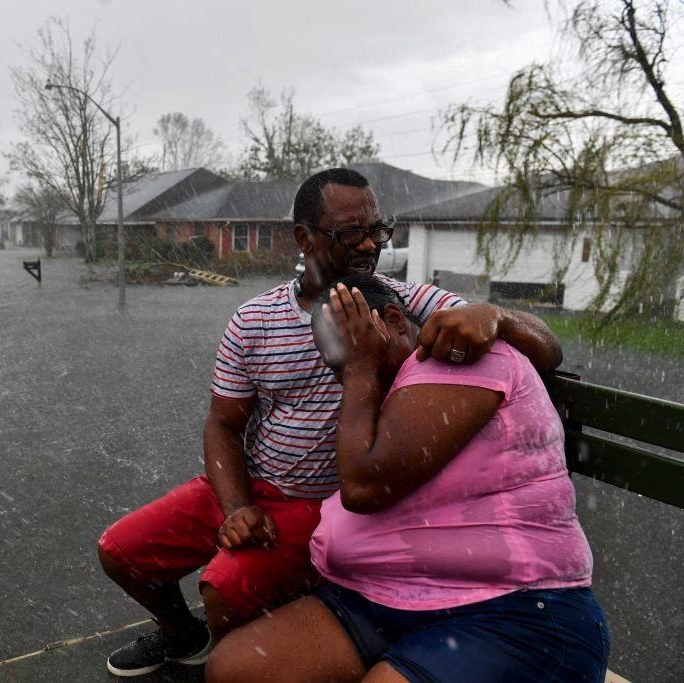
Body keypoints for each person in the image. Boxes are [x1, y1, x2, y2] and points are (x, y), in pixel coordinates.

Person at [96, 168, 564, 678]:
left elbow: (546, 348)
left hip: (318, 504)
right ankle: (186, 638)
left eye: (377, 231)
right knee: (121, 553)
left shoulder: (401, 300)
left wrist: (495, 315)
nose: (368, 245)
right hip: (246, 483)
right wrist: (235, 506)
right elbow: (223, 424)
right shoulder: (254, 319)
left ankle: (237, 645)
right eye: (349, 233)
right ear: (304, 237)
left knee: (224, 588)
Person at [205, 275, 608, 683]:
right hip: (373, 599)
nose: (344, 379)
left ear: (395, 321)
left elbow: (366, 486)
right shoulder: (386, 389)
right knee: (236, 668)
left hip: (510, 607)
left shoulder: (458, 357)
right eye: (337, 367)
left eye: (355, 350)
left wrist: (361, 366)